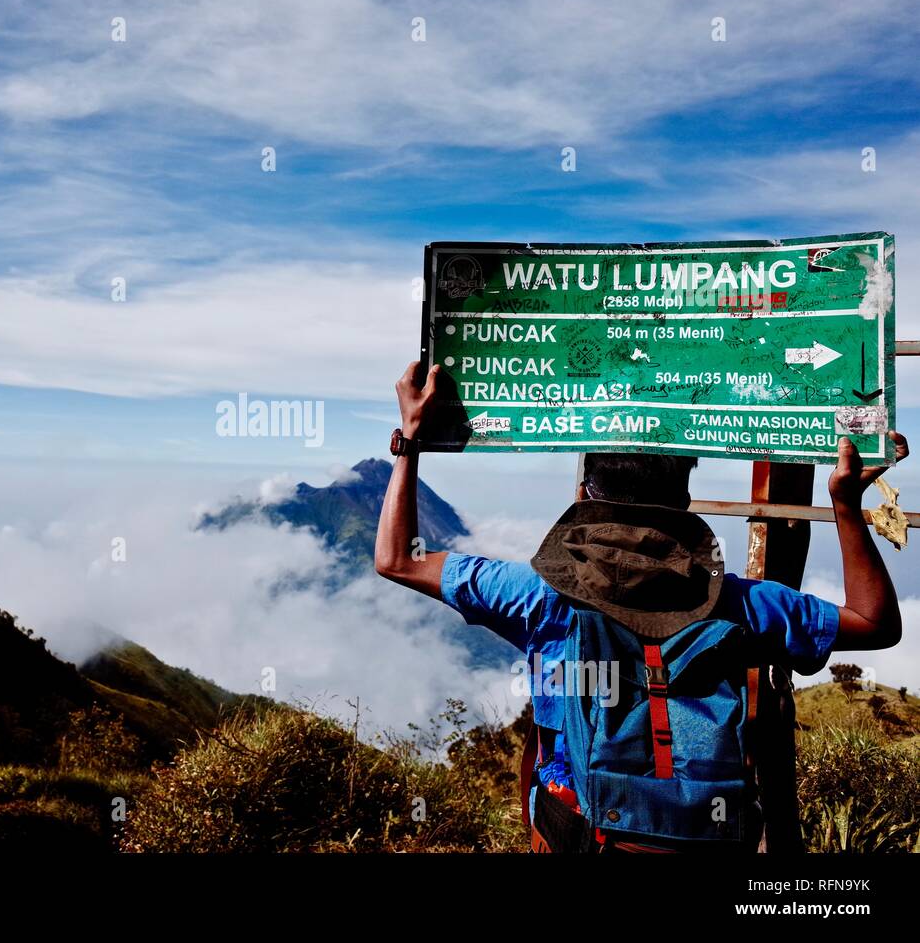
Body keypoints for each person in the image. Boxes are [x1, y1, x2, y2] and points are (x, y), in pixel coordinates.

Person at [375, 361, 909, 852]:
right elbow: (874, 623)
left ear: (585, 495)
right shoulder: (740, 605)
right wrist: (845, 505)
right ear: (683, 504)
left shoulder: (538, 596)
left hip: (581, 838)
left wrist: (411, 444)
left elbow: (397, 560)